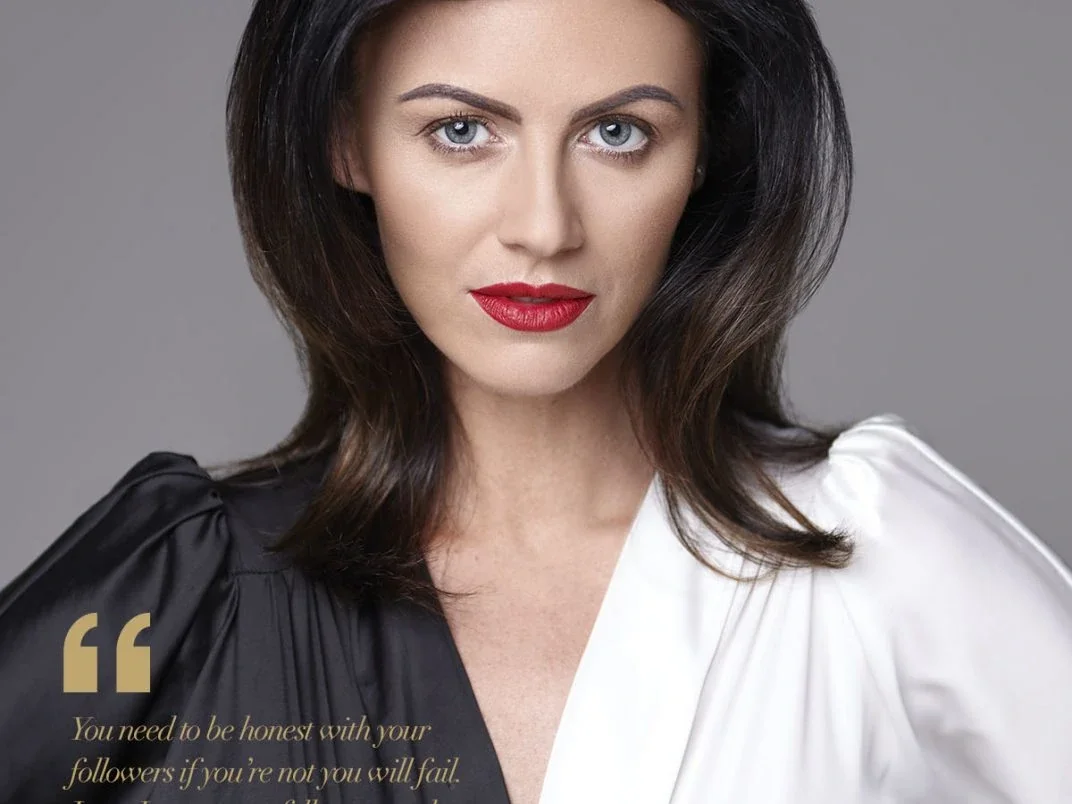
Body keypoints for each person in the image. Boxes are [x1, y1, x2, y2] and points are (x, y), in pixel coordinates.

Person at [1, 0, 1070, 802]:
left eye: (618, 133)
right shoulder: (191, 594)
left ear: (706, 151)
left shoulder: (870, 565)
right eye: (462, 131)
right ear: (346, 141)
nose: (545, 226)